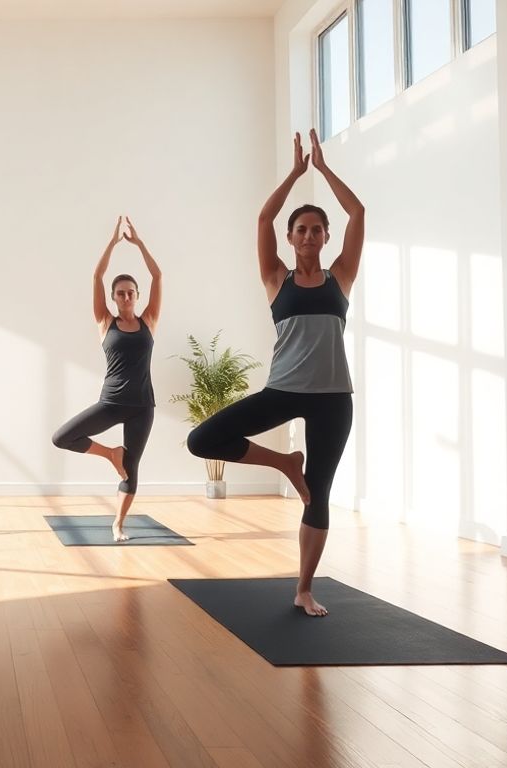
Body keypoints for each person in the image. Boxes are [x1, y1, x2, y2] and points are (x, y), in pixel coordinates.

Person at [186, 130, 364, 616]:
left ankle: (304, 587)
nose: (308, 236)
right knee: (203, 439)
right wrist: (295, 174)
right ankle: (285, 464)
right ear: (290, 238)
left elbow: (358, 214)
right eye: (300, 230)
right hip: (282, 390)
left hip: (332, 397)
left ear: (326, 237)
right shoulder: (275, 279)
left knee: (320, 493)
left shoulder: (341, 277)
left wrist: (324, 170)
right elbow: (263, 217)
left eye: (316, 230)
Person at [53, 216, 163, 542]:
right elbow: (97, 275)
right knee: (63, 437)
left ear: (137, 296)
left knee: (132, 469)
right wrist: (113, 243)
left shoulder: (149, 321)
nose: (126, 298)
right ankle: (110, 453)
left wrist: (140, 243)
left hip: (143, 405)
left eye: (131, 293)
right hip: (111, 403)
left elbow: (157, 275)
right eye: (120, 294)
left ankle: (118, 524)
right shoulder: (105, 322)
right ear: (113, 298)